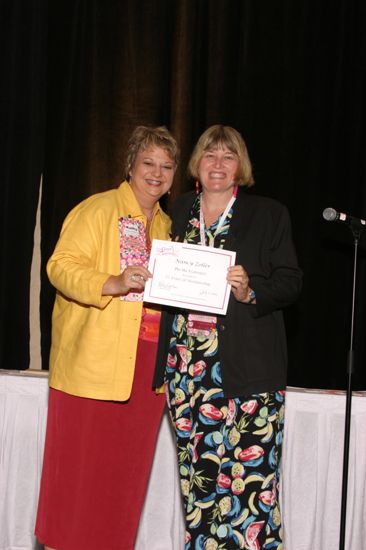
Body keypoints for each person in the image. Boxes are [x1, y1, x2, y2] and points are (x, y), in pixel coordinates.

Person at [153, 124, 302, 550]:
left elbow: (291, 282)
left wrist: (250, 288)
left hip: (249, 373)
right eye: (210, 155)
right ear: (196, 165)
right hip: (186, 376)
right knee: (199, 487)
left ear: (241, 167)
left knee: (250, 490)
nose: (218, 164)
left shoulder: (268, 213)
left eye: (228, 156)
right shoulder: (177, 211)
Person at [35, 125, 179, 550]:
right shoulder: (97, 210)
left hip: (146, 372)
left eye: (166, 166)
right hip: (93, 369)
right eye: (148, 163)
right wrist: (111, 282)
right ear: (130, 165)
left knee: (123, 482)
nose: (156, 173)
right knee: (78, 482)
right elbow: (59, 266)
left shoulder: (168, 226)